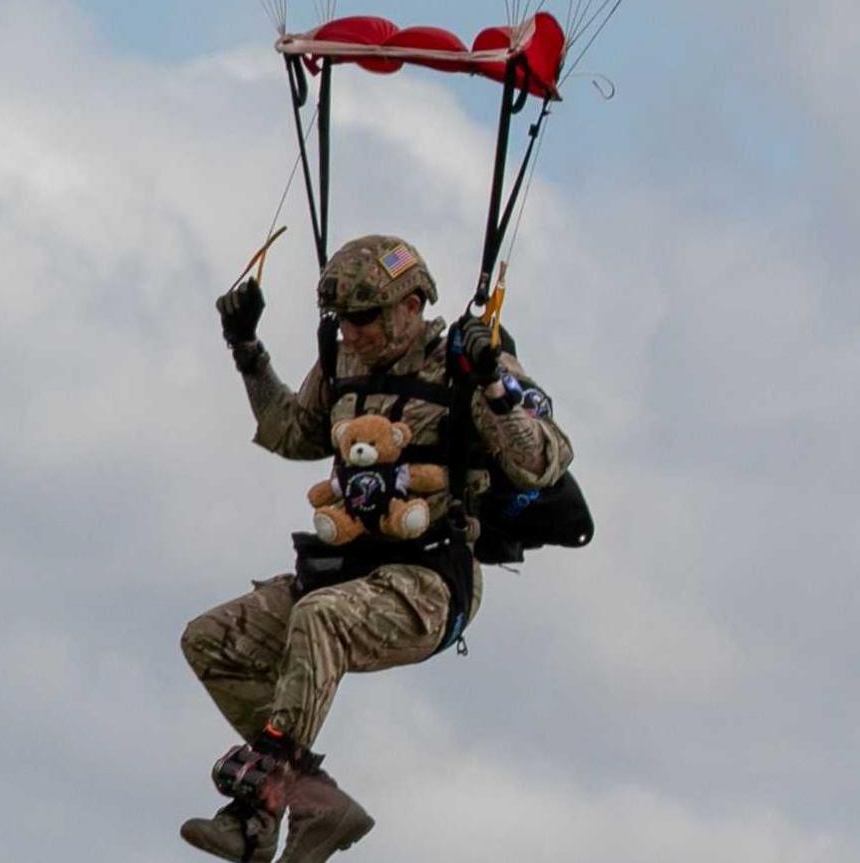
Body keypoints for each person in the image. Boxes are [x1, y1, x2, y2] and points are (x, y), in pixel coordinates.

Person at [179, 235, 574, 863]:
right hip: (345, 572)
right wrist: (247, 350)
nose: (352, 333)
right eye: (342, 320)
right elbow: (291, 432)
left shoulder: (462, 363)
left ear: (411, 306)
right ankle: (314, 807)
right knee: (211, 639)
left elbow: (544, 461)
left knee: (320, 620)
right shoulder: (344, 364)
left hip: (429, 584)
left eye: (363, 318)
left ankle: (258, 810)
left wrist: (493, 386)